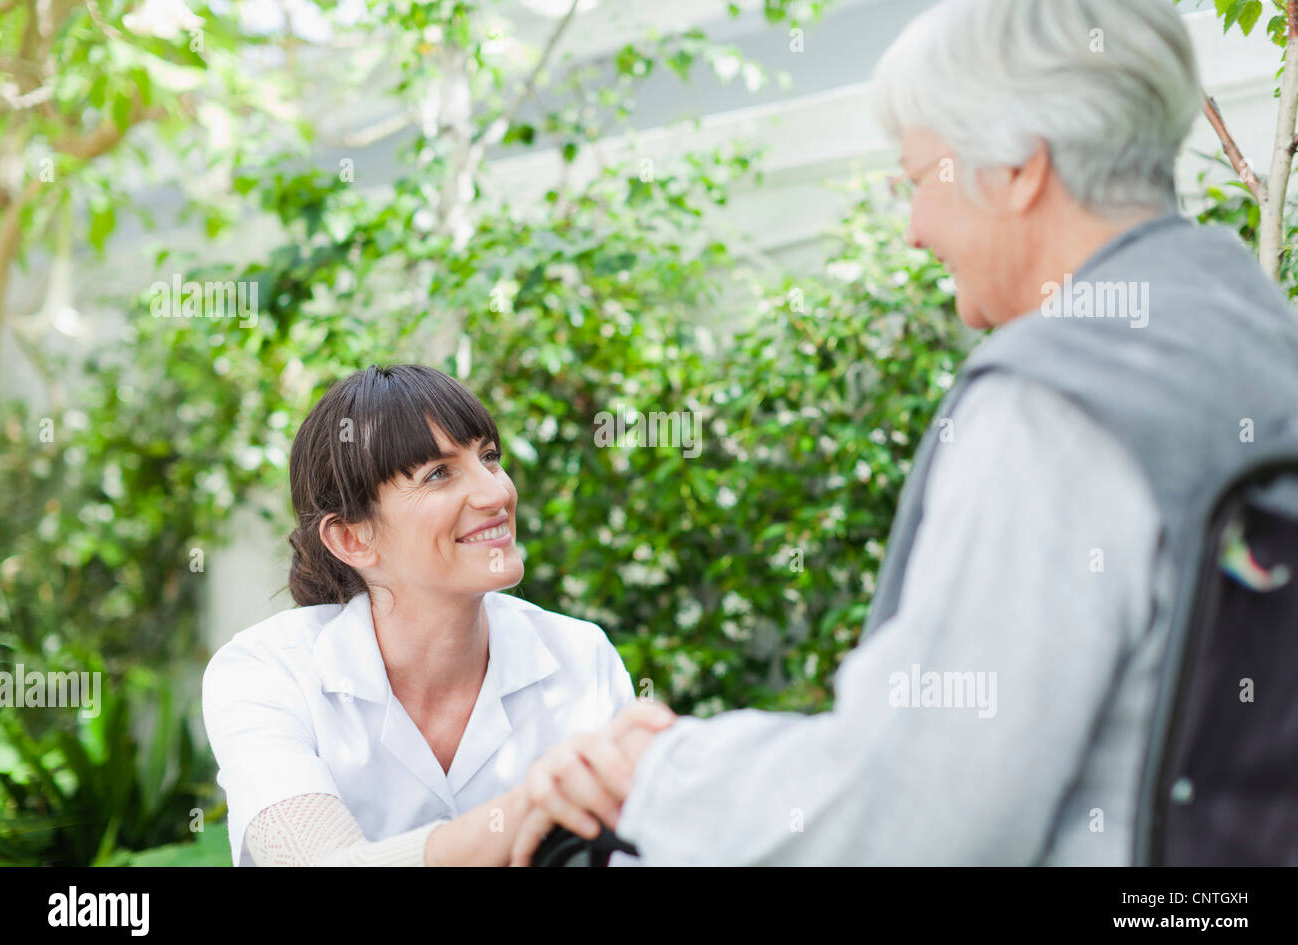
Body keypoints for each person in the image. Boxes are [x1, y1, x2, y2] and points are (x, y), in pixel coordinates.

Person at [509, 0, 1298, 865]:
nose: (916, 229)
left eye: (919, 176)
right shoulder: (1262, 346)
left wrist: (656, 771)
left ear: (1017, 170)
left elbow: (912, 818)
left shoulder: (1060, 398)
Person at [202, 363, 674, 866]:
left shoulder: (580, 656)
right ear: (351, 538)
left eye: (489, 458)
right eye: (438, 474)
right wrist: (534, 806)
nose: (497, 494)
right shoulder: (266, 670)